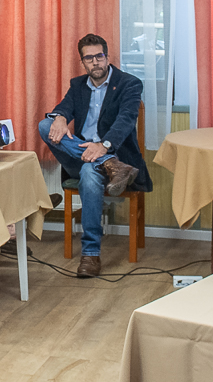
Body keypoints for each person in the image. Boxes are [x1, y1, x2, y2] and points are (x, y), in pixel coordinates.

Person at [40, 33, 149, 278]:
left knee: (90, 172)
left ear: (107, 57)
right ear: (83, 62)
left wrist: (104, 146)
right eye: (89, 58)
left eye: (99, 56)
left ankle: (90, 254)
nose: (95, 62)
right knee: (45, 125)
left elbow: (126, 119)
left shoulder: (129, 83)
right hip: (80, 155)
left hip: (113, 151)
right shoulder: (78, 85)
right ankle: (109, 164)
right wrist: (60, 117)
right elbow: (64, 108)